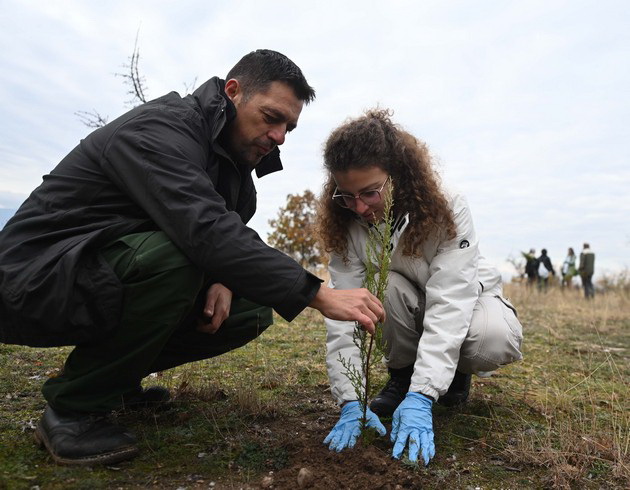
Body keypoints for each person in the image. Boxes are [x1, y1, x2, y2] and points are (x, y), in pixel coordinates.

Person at [0, 49, 385, 466]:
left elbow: (225, 230)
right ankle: (71, 411)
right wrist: (318, 294)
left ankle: (113, 381)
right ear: (233, 92)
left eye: (288, 127)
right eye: (271, 117)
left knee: (251, 308)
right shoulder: (160, 131)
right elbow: (203, 230)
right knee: (176, 261)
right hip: (34, 277)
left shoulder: (232, 166)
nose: (279, 136)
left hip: (95, 271)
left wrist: (222, 277)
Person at [317, 109, 523, 466]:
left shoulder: (447, 205)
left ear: (398, 175)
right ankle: (402, 376)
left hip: (465, 295)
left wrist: (425, 394)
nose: (359, 208)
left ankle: (448, 379)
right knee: (384, 288)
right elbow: (344, 312)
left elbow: (451, 300)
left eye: (370, 193)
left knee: (492, 339)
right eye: (347, 196)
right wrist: (350, 399)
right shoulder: (345, 220)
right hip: (402, 299)